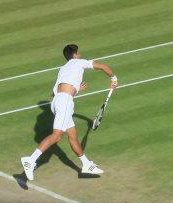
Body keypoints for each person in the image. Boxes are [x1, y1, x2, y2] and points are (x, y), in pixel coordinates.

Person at [21, 44, 118, 180]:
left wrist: (77, 89)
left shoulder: (63, 68)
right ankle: (30, 160)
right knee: (57, 136)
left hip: (58, 102)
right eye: (79, 53)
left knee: (72, 135)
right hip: (65, 101)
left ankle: (86, 164)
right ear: (75, 54)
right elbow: (103, 67)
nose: (80, 55)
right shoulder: (79, 62)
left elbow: (60, 90)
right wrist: (114, 79)